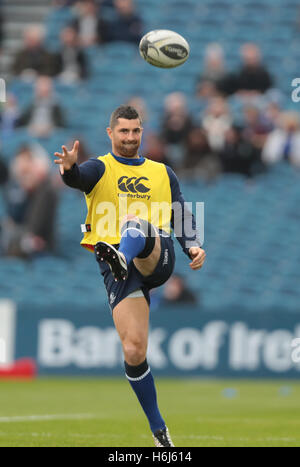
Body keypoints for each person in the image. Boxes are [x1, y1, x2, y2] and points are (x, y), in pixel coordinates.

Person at [54, 105, 206, 447]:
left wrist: (193, 247)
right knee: (134, 350)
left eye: (135, 131)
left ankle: (123, 253)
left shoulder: (163, 173)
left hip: (155, 253)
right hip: (117, 269)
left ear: (142, 132)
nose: (130, 137)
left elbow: (180, 213)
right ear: (110, 134)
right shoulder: (100, 167)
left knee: (135, 224)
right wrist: (68, 170)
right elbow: (78, 178)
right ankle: (160, 432)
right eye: (123, 131)